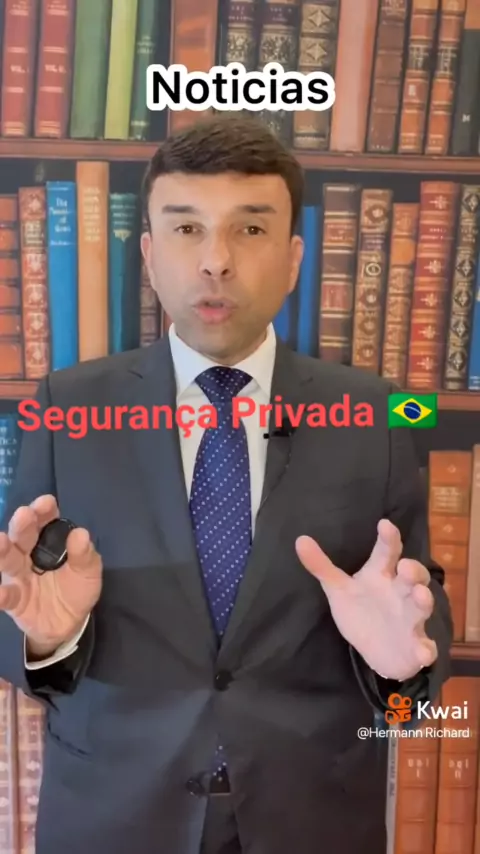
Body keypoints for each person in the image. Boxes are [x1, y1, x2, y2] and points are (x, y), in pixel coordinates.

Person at [0, 113, 453, 854]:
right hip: (113, 821)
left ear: (295, 257)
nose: (216, 261)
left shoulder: (376, 413)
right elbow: (15, 618)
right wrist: (49, 639)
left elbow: (416, 616)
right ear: (149, 255)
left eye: (250, 229)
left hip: (313, 821)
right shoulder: (68, 406)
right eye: (187, 229)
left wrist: (401, 672)